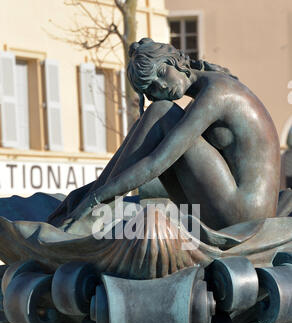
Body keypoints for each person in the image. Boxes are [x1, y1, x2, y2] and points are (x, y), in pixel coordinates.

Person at [48, 37, 281, 233]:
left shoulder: (217, 93)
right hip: (237, 208)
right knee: (160, 115)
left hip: (244, 215)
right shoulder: (200, 100)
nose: (160, 87)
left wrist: (97, 197)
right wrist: (93, 191)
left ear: (175, 62)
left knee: (160, 111)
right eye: (150, 89)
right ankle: (90, 198)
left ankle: (93, 206)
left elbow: (156, 162)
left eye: (160, 73)